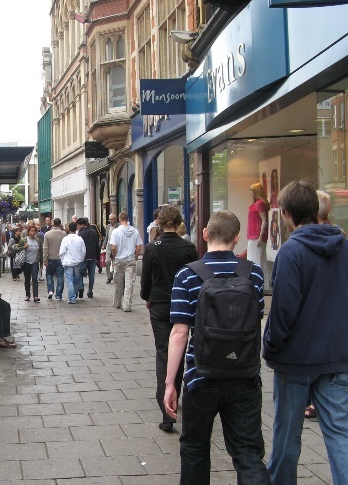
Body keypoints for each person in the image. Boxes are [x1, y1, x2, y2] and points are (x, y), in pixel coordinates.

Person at [164, 210, 269, 484]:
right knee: (248, 453)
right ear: (236, 239)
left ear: (205, 234)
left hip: (201, 376)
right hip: (244, 377)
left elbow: (178, 333)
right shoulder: (254, 274)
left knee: (195, 449)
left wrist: (169, 384)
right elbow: (256, 321)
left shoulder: (187, 275)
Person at [263, 180, 348, 484]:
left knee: (287, 439)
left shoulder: (291, 252)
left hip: (295, 360)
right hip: (337, 357)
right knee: (340, 436)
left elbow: (283, 311)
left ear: (285, 213)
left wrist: (271, 347)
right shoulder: (344, 247)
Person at [140, 205, 198, 431]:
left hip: (160, 305)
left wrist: (148, 297)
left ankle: (167, 412)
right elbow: (195, 276)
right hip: (183, 305)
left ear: (160, 223)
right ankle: (176, 395)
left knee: (163, 352)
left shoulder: (152, 248)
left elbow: (146, 282)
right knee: (180, 351)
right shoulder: (188, 247)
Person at [110, 213, 142, 312]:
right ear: (127, 219)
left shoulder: (116, 232)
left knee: (118, 283)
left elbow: (114, 247)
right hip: (130, 260)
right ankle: (127, 305)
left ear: (119, 220)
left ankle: (117, 302)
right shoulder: (135, 231)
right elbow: (139, 247)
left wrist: (114, 256)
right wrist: (135, 257)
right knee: (129, 284)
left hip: (119, 260)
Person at [247, 182, 269, 288]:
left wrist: (260, 236)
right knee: (260, 260)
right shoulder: (259, 203)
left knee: (254, 260)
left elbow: (264, 220)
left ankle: (257, 284)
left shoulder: (259, 203)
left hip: (256, 235)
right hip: (255, 235)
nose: (251, 194)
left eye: (252, 191)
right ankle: (263, 284)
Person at [59, 221, 85, 304]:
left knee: (69, 280)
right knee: (77, 280)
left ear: (69, 229)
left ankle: (72, 297)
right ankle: (74, 295)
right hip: (77, 262)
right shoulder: (80, 239)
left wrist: (63, 260)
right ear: (76, 228)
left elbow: (62, 252)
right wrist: (81, 259)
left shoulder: (65, 239)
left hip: (68, 262)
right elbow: (83, 251)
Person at [17, 225, 42, 302]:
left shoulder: (38, 240)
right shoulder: (24, 240)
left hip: (35, 262)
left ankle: (36, 296)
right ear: (28, 231)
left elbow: (40, 251)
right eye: (31, 231)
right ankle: (28, 295)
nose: (33, 232)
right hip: (26, 262)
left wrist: (41, 262)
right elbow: (17, 249)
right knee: (27, 278)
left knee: (35, 278)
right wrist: (23, 247)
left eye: (34, 231)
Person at [77, 217, 100, 298]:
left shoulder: (80, 234)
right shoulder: (94, 232)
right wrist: (98, 257)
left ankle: (81, 287)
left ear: (82, 225)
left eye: (78, 225)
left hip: (83, 257)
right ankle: (90, 291)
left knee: (80, 273)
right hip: (93, 256)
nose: (78, 227)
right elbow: (97, 245)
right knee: (91, 275)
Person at [43, 218, 65, 301]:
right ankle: (59, 295)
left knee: (49, 275)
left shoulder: (47, 234)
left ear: (52, 224)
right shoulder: (64, 234)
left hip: (50, 258)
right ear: (60, 224)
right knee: (60, 276)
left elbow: (45, 248)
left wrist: (45, 259)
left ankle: (50, 290)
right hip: (60, 258)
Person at [102, 213, 119, 283]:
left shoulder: (119, 226)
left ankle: (115, 276)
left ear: (115, 219)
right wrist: (104, 244)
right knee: (107, 261)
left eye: (112, 219)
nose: (110, 221)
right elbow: (107, 236)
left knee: (115, 262)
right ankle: (109, 276)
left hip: (116, 246)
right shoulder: (108, 226)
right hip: (109, 245)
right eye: (109, 219)